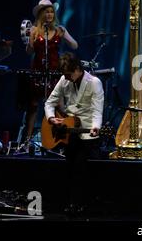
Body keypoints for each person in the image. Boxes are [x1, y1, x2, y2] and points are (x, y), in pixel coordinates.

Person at [44, 52, 104, 216]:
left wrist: (96, 127)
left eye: (69, 74)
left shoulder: (94, 83)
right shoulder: (64, 80)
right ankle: (70, 203)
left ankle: (77, 204)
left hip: (86, 133)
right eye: (65, 75)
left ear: (77, 69)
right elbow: (50, 102)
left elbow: (97, 111)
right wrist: (51, 118)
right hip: (69, 130)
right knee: (69, 168)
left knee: (80, 169)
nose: (67, 77)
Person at [22, 0, 78, 148]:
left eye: (52, 11)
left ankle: (63, 139)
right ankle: (27, 141)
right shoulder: (34, 30)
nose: (50, 14)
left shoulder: (60, 30)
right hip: (38, 71)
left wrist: (65, 34)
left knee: (59, 106)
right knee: (33, 106)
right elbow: (29, 52)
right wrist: (30, 41)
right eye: (47, 11)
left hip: (54, 72)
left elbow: (74, 45)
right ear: (41, 14)